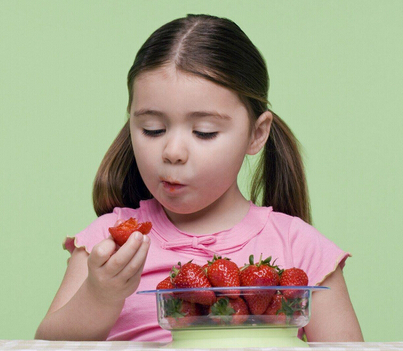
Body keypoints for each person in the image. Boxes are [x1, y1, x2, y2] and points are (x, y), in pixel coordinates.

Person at [35, 14, 363, 342]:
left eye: (204, 132)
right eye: (153, 129)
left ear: (257, 134)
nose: (173, 151)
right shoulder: (107, 243)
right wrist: (100, 295)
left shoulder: (301, 248)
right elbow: (47, 346)